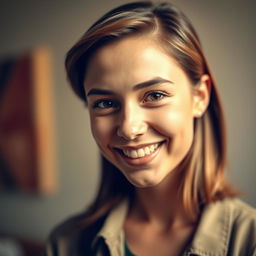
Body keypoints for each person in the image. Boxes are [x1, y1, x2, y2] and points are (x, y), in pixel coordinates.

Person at [44, 1, 256, 255]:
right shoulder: (65, 244)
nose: (129, 128)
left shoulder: (249, 240)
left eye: (154, 95)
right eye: (105, 103)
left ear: (199, 97)